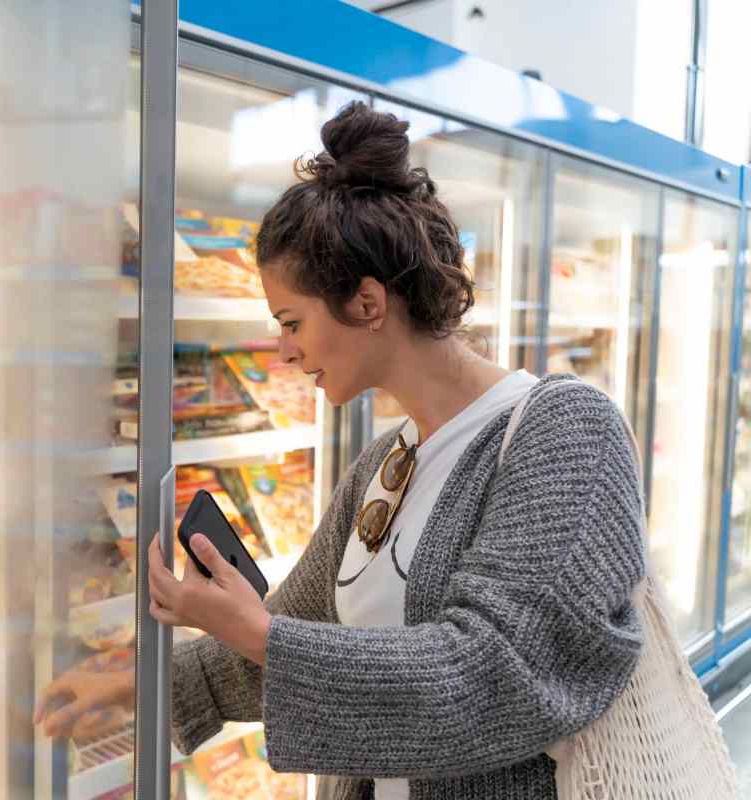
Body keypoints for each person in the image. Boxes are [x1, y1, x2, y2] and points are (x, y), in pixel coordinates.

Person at [34, 101, 645, 800]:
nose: (284, 352)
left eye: (292, 323)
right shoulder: (387, 463)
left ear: (367, 302)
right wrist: (133, 684)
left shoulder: (566, 431)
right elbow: (299, 630)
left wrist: (262, 635)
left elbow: (499, 674)